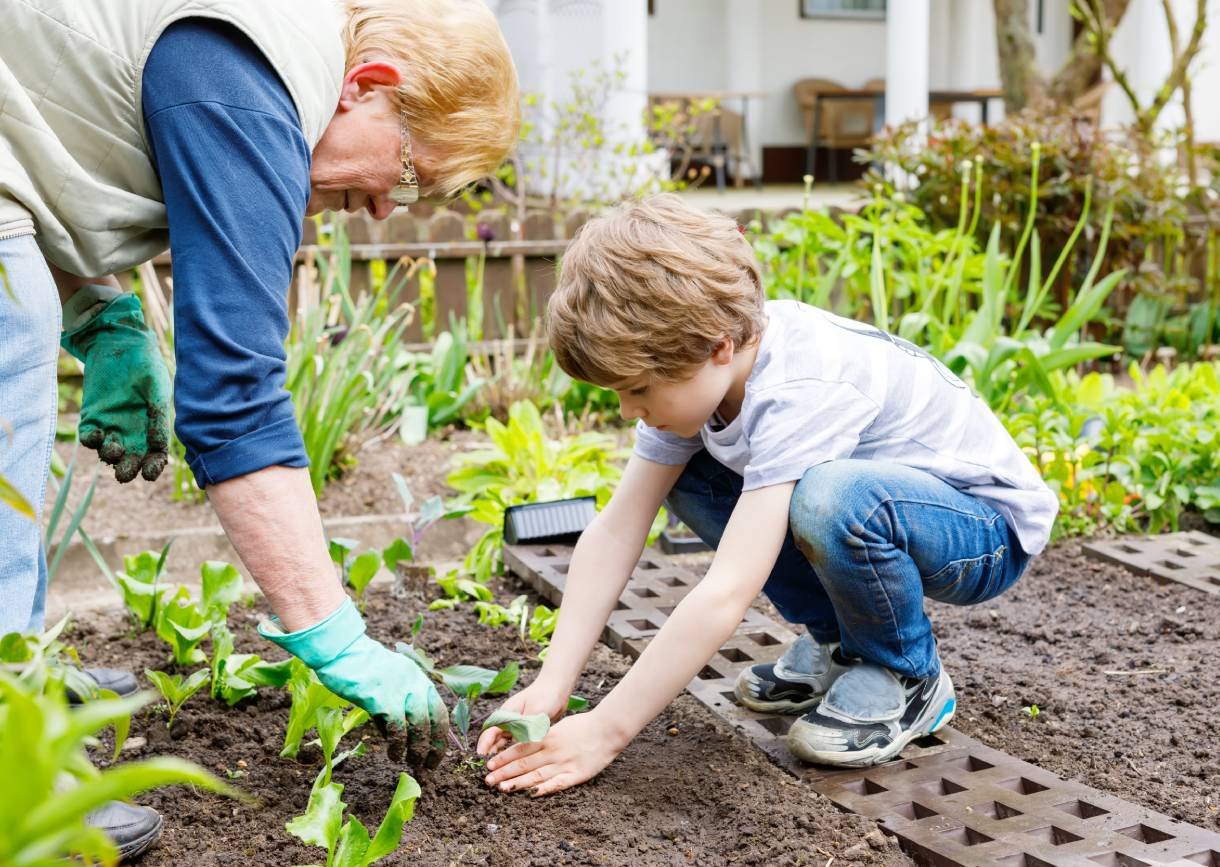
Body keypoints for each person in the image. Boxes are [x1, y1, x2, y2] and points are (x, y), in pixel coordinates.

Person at [0, 0, 518, 856]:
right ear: (369, 87)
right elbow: (234, 398)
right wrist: (337, 638)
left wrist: (102, 310)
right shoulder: (255, 82)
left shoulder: (258, 56)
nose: (389, 207)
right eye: (414, 174)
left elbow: (46, 125)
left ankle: (13, 676)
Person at [476, 193, 1059, 795]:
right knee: (694, 479)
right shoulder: (704, 368)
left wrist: (607, 730)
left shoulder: (800, 387)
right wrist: (553, 682)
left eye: (640, 388)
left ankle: (905, 674)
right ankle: (841, 644)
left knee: (830, 499)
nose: (629, 410)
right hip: (887, 510)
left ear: (719, 345)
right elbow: (618, 529)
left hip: (983, 530)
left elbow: (730, 586)